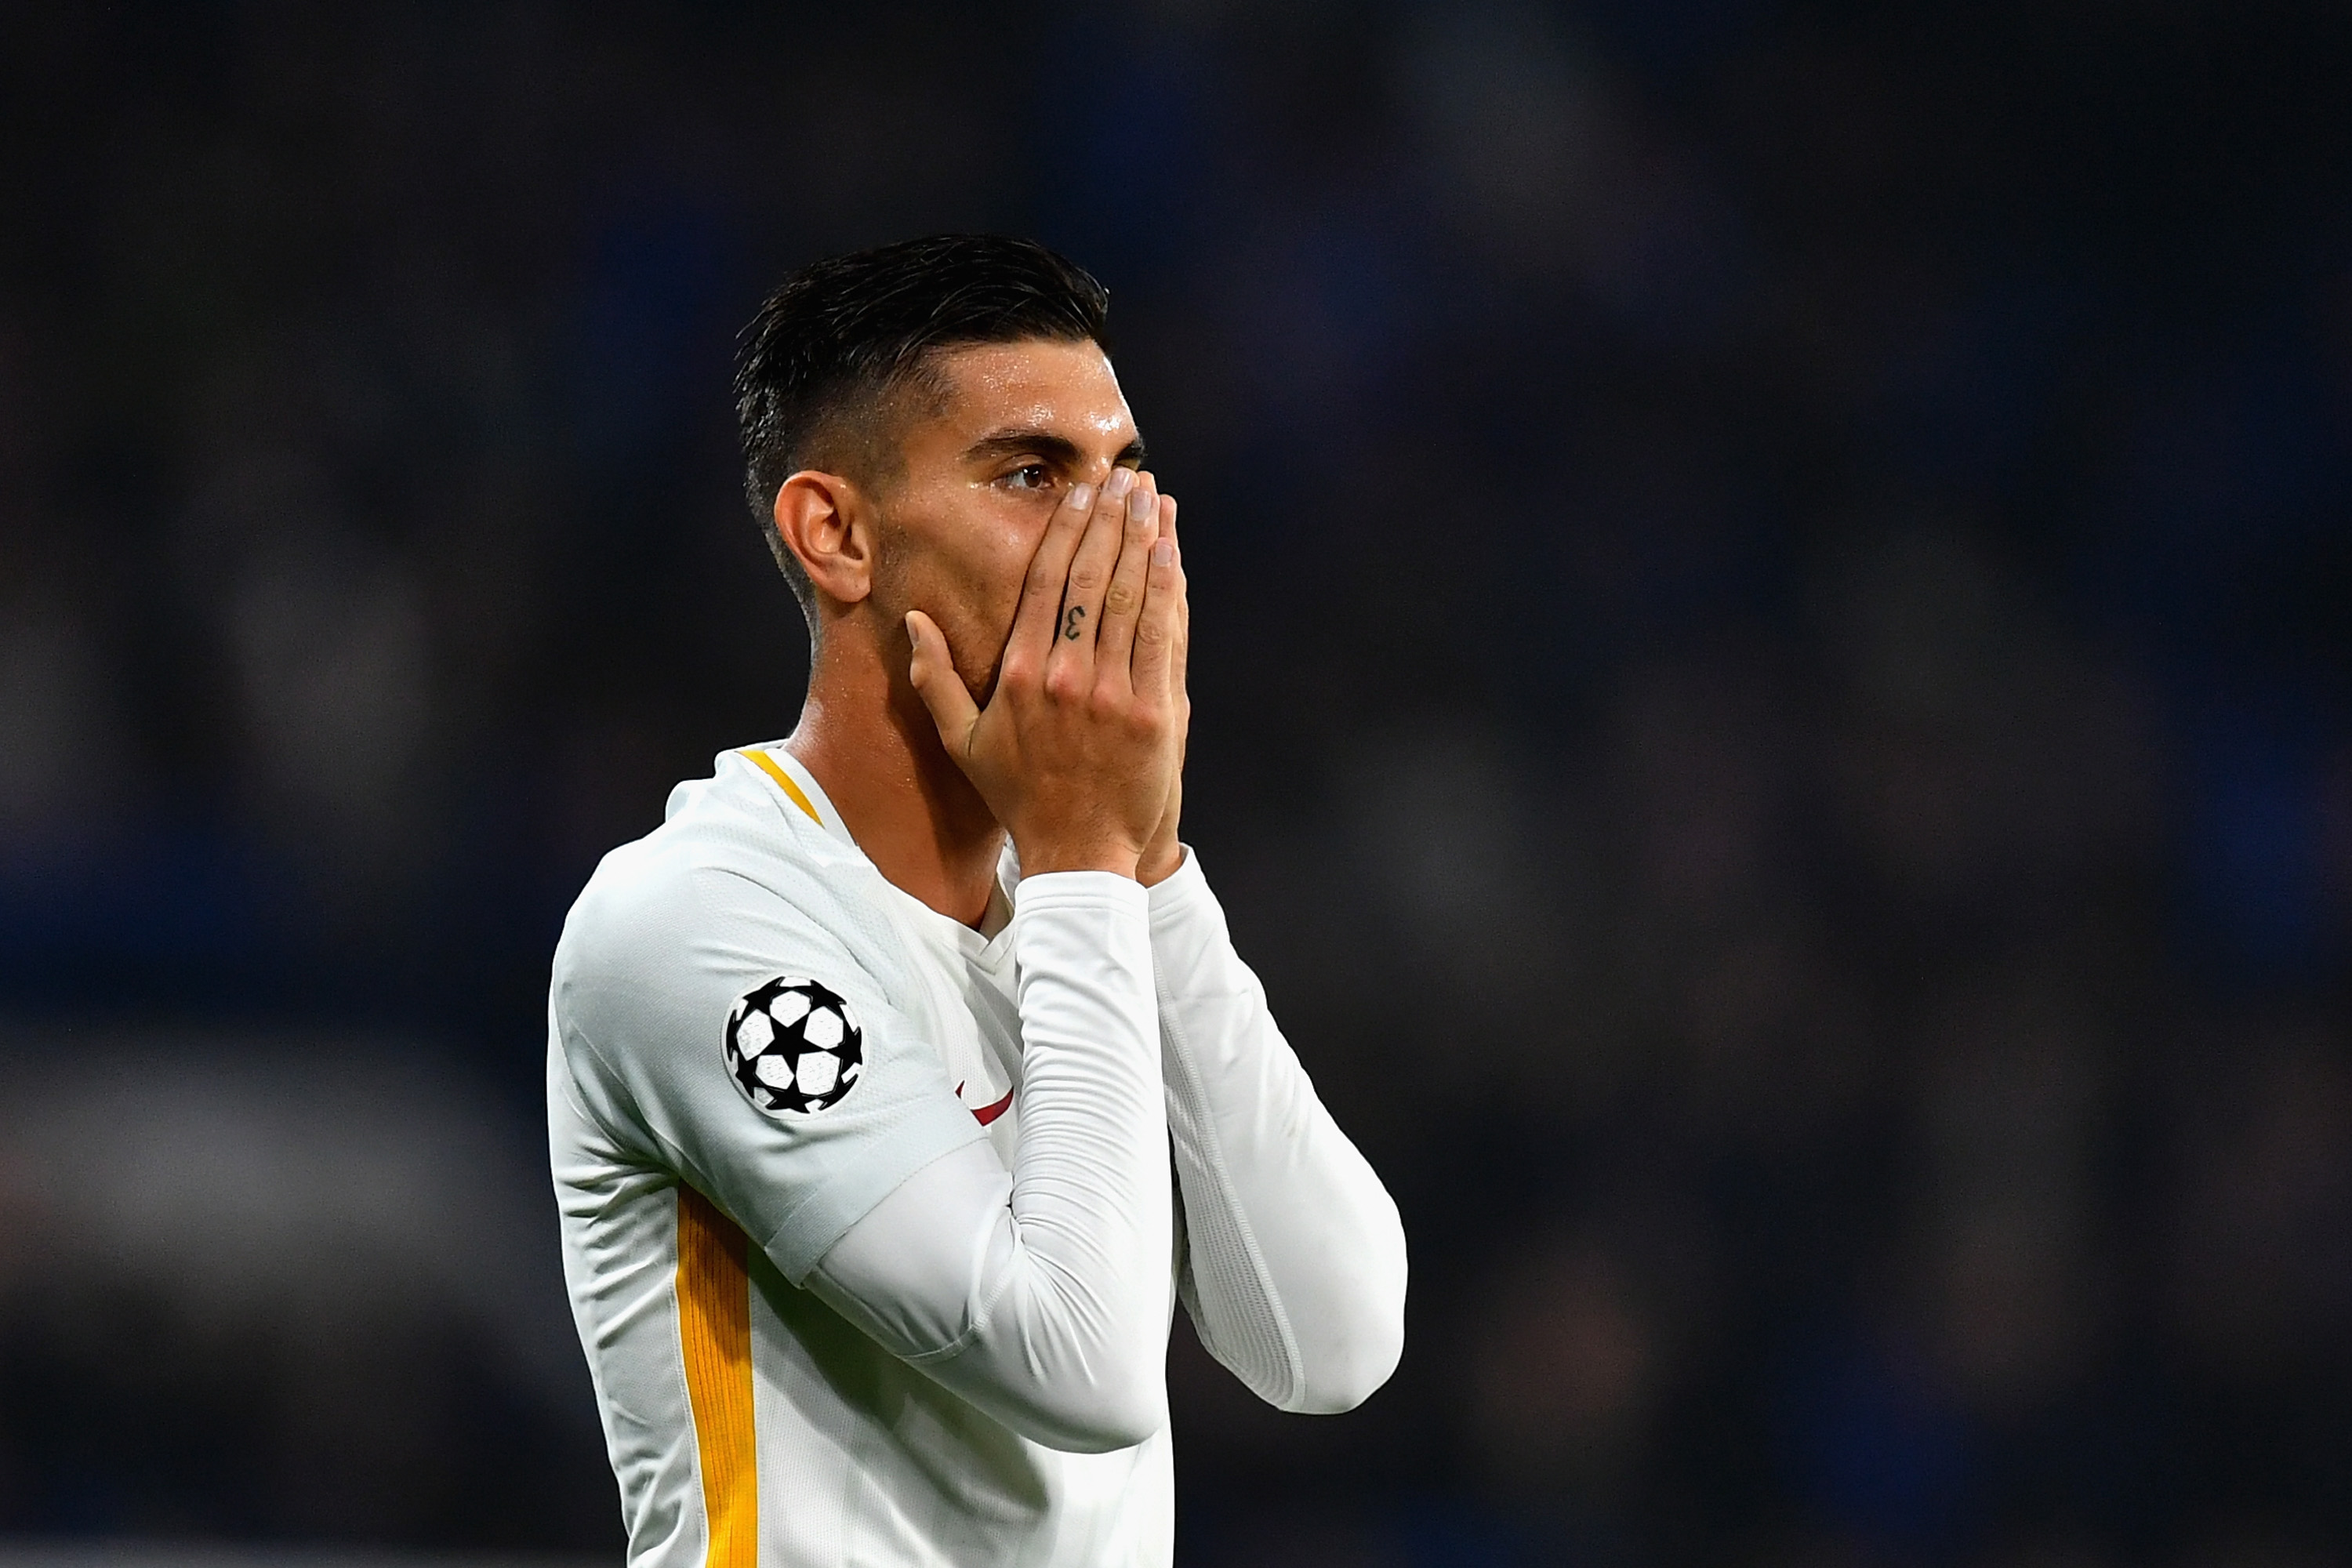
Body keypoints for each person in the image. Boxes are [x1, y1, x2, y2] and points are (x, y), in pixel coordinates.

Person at [547, 234, 1407, 1568]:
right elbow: (1085, 1367)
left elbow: (1332, 1342)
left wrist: (1151, 869)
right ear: (836, 535)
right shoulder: (691, 922)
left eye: (1127, 477)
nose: (1109, 536)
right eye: (1029, 475)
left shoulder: (1080, 902)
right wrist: (1081, 858)